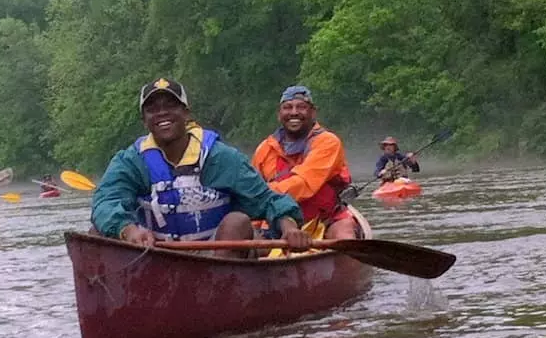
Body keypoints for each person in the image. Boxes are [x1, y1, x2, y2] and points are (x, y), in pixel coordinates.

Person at [91, 77, 312, 258]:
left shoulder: (221, 157)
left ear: (186, 113)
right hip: (154, 255)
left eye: (170, 106)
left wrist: (290, 228)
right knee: (97, 233)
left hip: (216, 258)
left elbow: (268, 200)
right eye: (153, 109)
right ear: (144, 120)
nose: (162, 114)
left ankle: (222, 296)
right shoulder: (131, 161)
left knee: (238, 222)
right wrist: (128, 230)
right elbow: (105, 203)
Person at [251, 85, 357, 239]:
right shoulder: (265, 149)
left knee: (345, 233)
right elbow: (252, 187)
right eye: (287, 107)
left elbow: (304, 183)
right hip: (277, 224)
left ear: (313, 112)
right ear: (279, 114)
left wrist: (263, 195)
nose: (294, 112)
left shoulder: (328, 142)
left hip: (326, 221)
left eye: (301, 107)